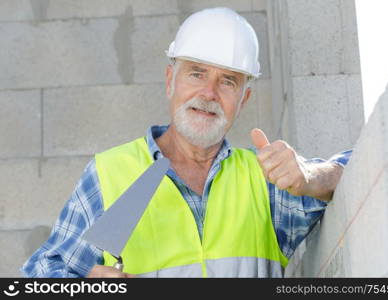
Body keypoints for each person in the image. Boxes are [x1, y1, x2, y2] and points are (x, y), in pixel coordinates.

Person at [21, 7, 352, 278]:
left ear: (244, 99)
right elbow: (38, 279)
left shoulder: (266, 181)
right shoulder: (109, 175)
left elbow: (358, 167)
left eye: (227, 81)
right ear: (170, 80)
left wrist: (313, 176)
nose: (208, 93)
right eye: (196, 73)